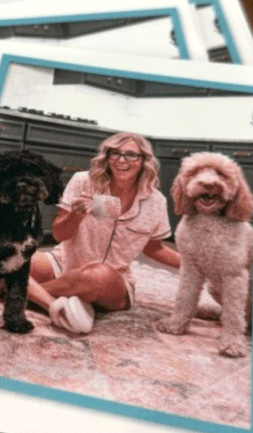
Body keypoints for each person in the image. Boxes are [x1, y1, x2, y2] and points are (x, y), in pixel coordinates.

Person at [24, 132, 181, 333]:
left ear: (144, 161)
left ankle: (18, 291)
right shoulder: (83, 181)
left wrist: (194, 264)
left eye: (131, 155)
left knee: (95, 275)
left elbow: (154, 248)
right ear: (107, 157)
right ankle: (54, 304)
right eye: (115, 153)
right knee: (13, 261)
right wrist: (75, 216)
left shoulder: (154, 200)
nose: (122, 160)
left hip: (111, 281)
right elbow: (59, 235)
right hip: (63, 262)